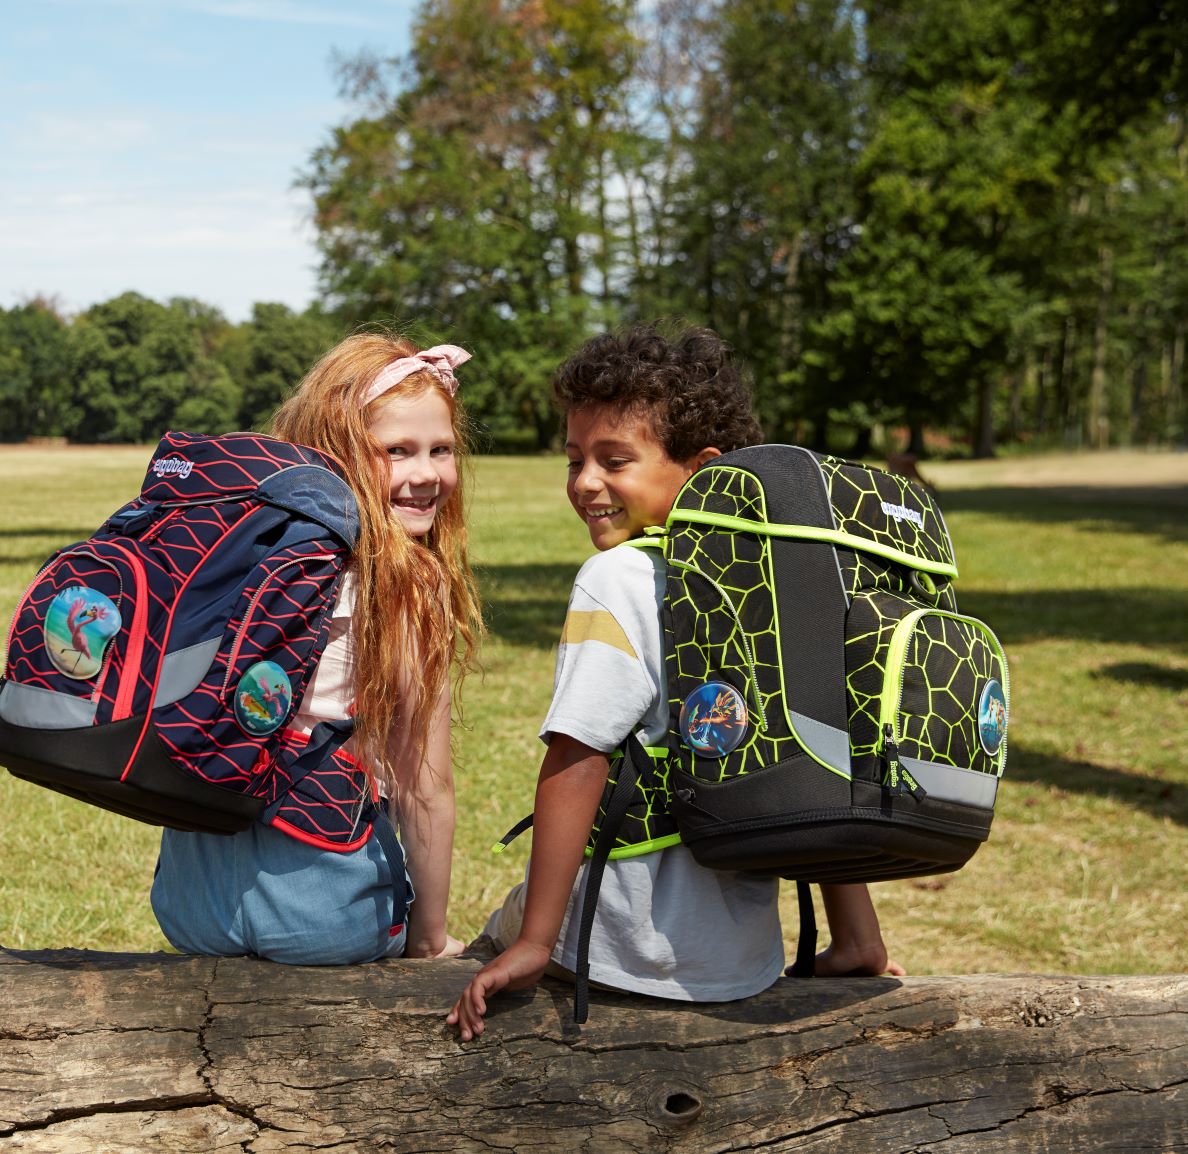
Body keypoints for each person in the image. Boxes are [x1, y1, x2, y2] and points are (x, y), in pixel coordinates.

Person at [448, 323, 900, 1040]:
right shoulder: (778, 587)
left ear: (703, 470)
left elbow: (578, 755)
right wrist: (857, 941)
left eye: (614, 460)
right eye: (574, 460)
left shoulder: (618, 577)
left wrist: (534, 941)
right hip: (740, 962)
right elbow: (820, 763)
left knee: (487, 940)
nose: (586, 483)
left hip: (616, 949)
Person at [151, 333, 483, 965]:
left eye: (440, 449)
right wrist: (430, 938)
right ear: (341, 453)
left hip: (190, 904)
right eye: (397, 452)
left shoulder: (237, 553)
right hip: (325, 914)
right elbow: (424, 785)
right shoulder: (411, 580)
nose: (427, 474)